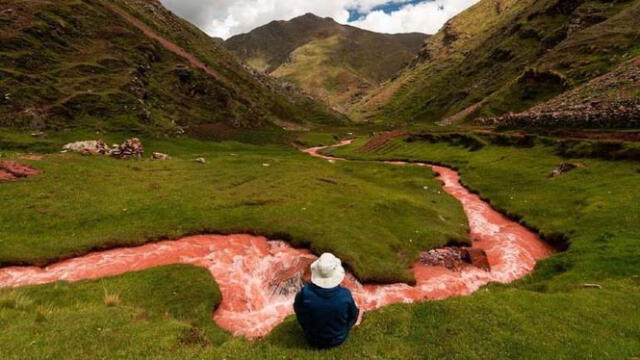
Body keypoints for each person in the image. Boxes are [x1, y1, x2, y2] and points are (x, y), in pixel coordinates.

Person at [294, 253, 360, 349]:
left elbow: (298, 310)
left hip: (312, 338)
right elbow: (353, 316)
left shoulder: (305, 293)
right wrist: (345, 327)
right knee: (355, 308)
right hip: (338, 338)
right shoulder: (345, 294)